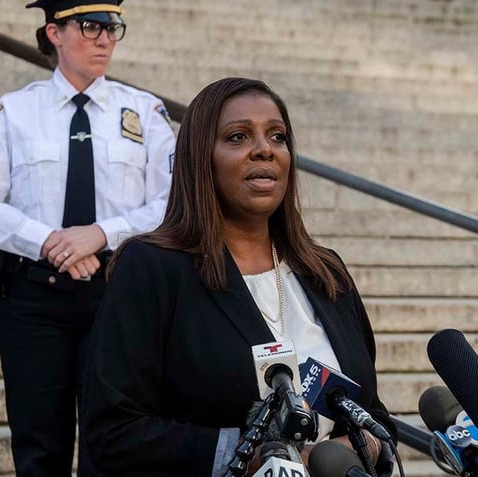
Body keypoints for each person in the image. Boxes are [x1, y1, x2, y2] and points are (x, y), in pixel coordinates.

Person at [81, 77, 397, 476]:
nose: (264, 149)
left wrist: (355, 447)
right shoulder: (151, 268)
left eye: (277, 136)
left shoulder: (326, 272)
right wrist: (253, 456)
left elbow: (373, 414)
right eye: (238, 136)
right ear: (201, 158)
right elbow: (113, 432)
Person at [0, 0, 176, 475]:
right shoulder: (15, 113)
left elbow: (174, 205)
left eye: (113, 27)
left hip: (119, 298)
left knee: (114, 448)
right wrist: (50, 240)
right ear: (54, 32)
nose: (104, 38)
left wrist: (99, 233)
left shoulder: (145, 113)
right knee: (38, 450)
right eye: (90, 26)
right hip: (33, 302)